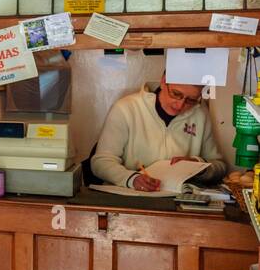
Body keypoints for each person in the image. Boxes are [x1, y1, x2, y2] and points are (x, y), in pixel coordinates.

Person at [91, 72, 227, 191]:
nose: (180, 105)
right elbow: (101, 162)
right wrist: (132, 179)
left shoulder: (200, 113)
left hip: (177, 199)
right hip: (130, 199)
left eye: (190, 100)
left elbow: (219, 166)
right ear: (163, 81)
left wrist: (198, 165)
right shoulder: (126, 109)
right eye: (176, 94)